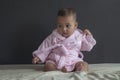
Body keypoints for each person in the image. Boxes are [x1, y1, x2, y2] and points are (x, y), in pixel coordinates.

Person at [32, 8, 96, 72]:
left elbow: (88, 47)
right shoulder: (53, 36)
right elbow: (45, 47)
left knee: (84, 64)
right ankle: (57, 70)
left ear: (75, 25)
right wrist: (38, 57)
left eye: (67, 26)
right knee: (48, 66)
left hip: (72, 60)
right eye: (60, 26)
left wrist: (89, 36)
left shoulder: (78, 36)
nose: (64, 29)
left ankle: (77, 71)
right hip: (56, 60)